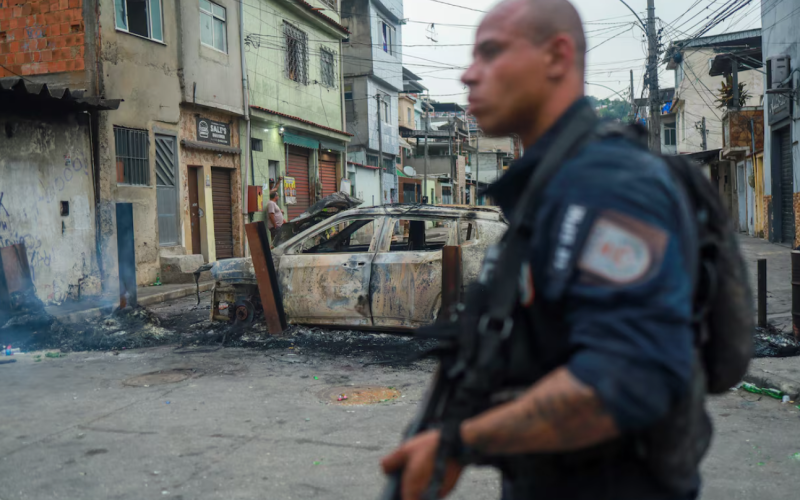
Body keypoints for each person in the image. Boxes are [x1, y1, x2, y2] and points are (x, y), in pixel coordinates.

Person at [380, 0, 700, 499]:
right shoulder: (548, 190)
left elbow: (629, 376)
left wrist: (460, 443)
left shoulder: (610, 185)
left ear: (556, 56)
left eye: (490, 52)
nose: (468, 74)